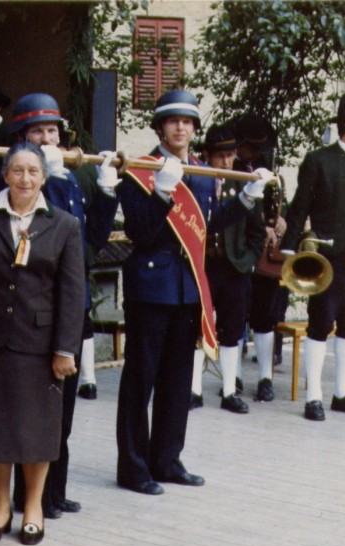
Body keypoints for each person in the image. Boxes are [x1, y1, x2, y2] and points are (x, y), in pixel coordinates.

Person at [115, 89, 271, 495]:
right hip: (151, 286)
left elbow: (212, 222)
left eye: (188, 122)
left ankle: (167, 460)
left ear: (194, 129)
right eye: (173, 121)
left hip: (188, 289)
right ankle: (133, 468)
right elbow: (140, 232)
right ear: (160, 127)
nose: (181, 128)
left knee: (178, 380)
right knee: (140, 381)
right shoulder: (138, 170)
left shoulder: (201, 172)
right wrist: (163, 193)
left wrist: (247, 198)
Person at [0, 141, 85, 545]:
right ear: (5, 175)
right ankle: (0, 508)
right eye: (17, 171)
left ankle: (35, 507)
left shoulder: (63, 225)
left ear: (44, 177)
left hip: (39, 345)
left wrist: (65, 349)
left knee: (37, 431)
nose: (25, 179)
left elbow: (72, 292)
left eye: (33, 172)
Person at [6, 93, 118, 519]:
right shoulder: (23, 182)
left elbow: (90, 246)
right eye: (38, 131)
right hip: (35, 310)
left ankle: (54, 491)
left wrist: (106, 192)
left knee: (62, 410)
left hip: (70, 308)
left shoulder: (70, 181)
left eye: (53, 131)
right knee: (34, 408)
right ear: (21, 140)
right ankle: (27, 495)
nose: (48, 138)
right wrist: (46, 178)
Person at [189, 124, 266, 413]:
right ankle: (193, 390)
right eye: (220, 156)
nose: (226, 162)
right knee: (198, 328)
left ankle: (230, 390)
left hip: (235, 269)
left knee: (233, 329)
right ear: (206, 155)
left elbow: (257, 232)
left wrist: (247, 261)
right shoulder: (197, 181)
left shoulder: (242, 183)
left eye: (231, 155)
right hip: (205, 267)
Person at [281, 95, 345, 421]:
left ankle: (341, 394)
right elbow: (299, 207)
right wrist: (290, 249)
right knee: (320, 325)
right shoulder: (319, 160)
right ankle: (314, 397)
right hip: (328, 258)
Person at [235, 113, 289, 402]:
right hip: (240, 252)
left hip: (264, 258)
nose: (256, 153)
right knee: (235, 317)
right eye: (251, 147)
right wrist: (262, 225)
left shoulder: (269, 171)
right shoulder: (231, 168)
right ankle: (234, 378)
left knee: (264, 318)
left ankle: (265, 378)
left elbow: (283, 205)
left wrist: (282, 221)